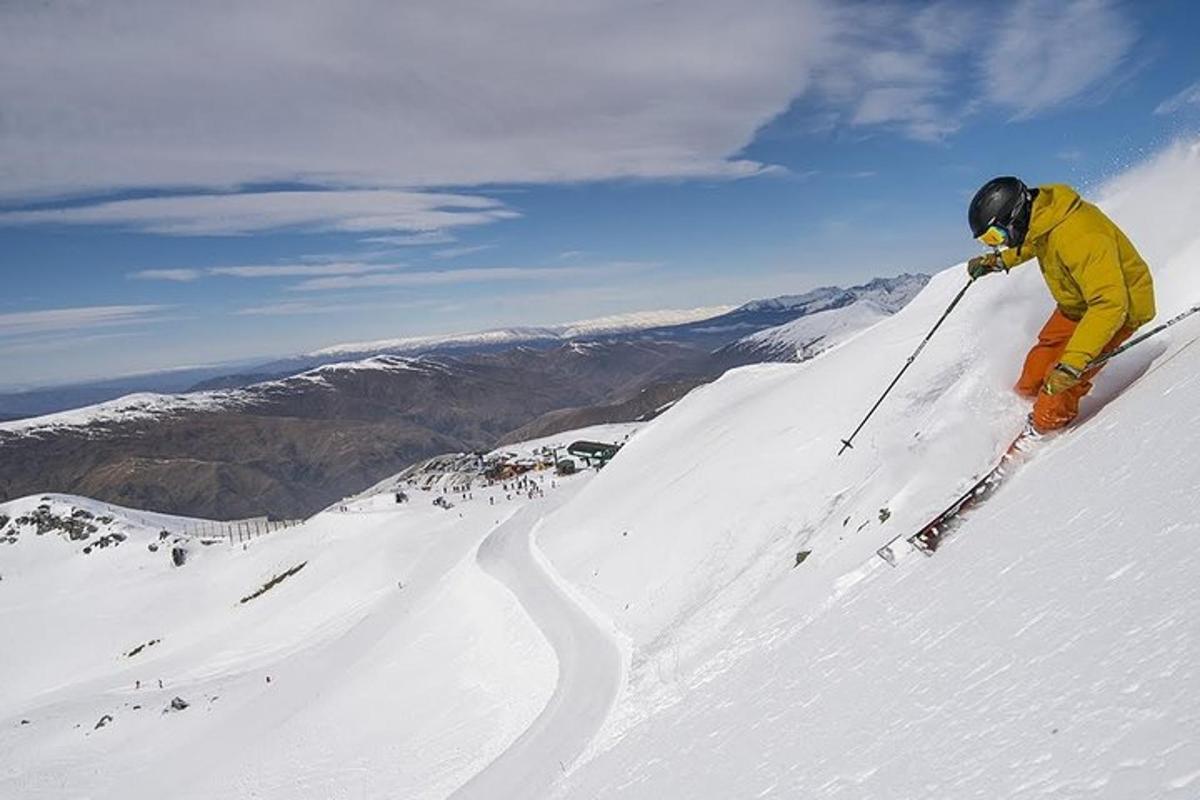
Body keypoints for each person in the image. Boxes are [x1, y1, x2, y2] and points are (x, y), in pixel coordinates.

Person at [966, 177, 1155, 432]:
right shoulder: (1042, 218)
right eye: (988, 240)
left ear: (1014, 216)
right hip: (1077, 304)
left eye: (995, 236)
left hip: (1118, 309)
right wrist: (997, 262)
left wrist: (1073, 364)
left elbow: (1110, 304)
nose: (998, 242)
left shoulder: (1080, 234)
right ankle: (1021, 406)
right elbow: (1032, 242)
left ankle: (1044, 428)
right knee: (1036, 371)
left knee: (1062, 382)